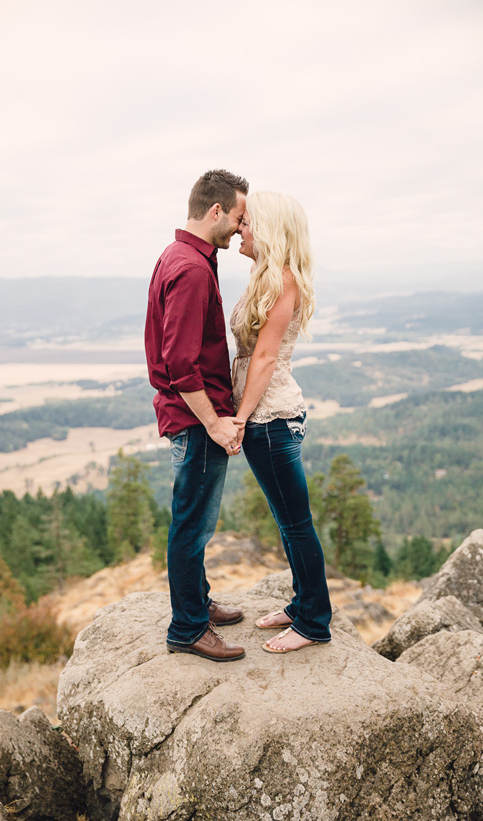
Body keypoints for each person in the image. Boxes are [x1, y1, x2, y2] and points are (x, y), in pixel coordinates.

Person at [145, 169, 249, 662]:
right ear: (215, 212)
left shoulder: (181, 256)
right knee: (191, 525)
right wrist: (213, 422)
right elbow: (180, 362)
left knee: (195, 523)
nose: (239, 227)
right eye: (237, 216)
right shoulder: (189, 268)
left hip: (191, 416)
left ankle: (198, 604)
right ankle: (188, 628)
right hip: (195, 420)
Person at [230, 191, 331, 653]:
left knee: (295, 523)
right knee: (285, 518)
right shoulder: (265, 277)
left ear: (268, 229)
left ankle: (314, 621)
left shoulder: (283, 281)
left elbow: (266, 357)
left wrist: (240, 417)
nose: (240, 229)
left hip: (270, 417)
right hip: (264, 416)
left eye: (248, 222)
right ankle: (302, 603)